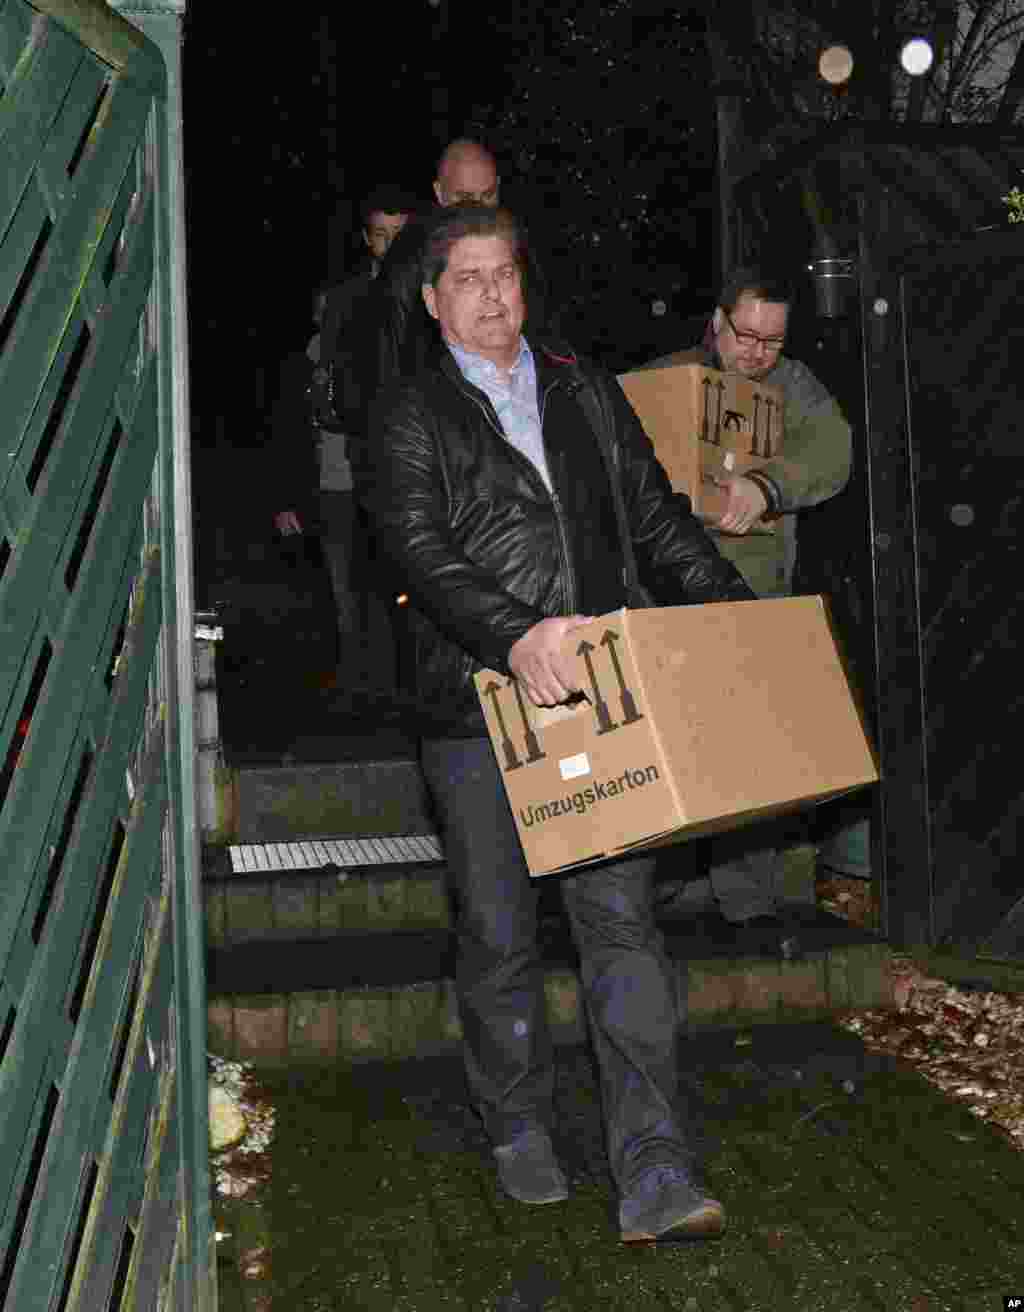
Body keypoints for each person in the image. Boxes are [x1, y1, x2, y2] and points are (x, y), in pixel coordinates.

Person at [360, 204, 755, 1242]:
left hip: (598, 699)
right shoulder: (407, 411)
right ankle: (517, 1121)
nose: (493, 294)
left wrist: (729, 619)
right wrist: (514, 634)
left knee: (621, 927)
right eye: (470, 278)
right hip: (477, 709)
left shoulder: (582, 385)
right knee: (497, 934)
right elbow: (415, 546)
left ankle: (657, 1170)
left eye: (506, 273)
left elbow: (657, 513)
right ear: (433, 298)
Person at [655, 267, 853, 932]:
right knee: (678, 748)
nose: (756, 354)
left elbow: (835, 449)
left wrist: (768, 487)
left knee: (748, 755)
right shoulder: (673, 378)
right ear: (717, 323)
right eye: (745, 336)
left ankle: (751, 911)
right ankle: (666, 889)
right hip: (671, 598)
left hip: (756, 598)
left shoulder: (791, 386)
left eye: (772, 341)